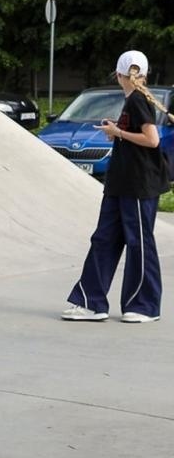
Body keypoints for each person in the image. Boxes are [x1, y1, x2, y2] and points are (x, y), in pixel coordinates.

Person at [61, 49, 165, 322]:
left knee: (139, 243)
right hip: (120, 183)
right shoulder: (132, 100)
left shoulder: (138, 101)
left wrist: (118, 132)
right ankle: (91, 302)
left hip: (139, 184)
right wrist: (117, 133)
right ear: (144, 73)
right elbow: (137, 137)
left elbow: (152, 140)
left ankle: (144, 306)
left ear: (119, 75)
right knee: (104, 238)